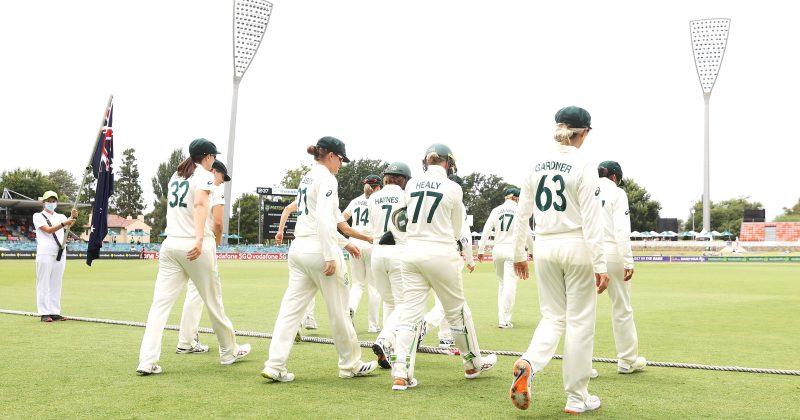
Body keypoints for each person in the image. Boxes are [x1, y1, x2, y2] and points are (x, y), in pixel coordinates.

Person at [508, 106, 608, 414]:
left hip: (545, 246)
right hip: (576, 244)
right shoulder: (584, 165)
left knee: (553, 317)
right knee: (579, 323)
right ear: (584, 133)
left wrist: (518, 254)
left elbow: (522, 213)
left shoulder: (535, 164)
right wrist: (601, 264)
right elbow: (592, 221)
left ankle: (530, 362)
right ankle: (577, 398)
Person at [261, 136, 378, 382]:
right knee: (339, 311)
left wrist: (347, 243)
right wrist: (330, 254)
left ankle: (274, 364)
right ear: (332, 155)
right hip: (318, 250)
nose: (342, 165)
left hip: (299, 249)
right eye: (341, 160)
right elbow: (325, 219)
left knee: (290, 311)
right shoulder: (327, 178)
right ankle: (350, 364)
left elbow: (334, 219)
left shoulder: (308, 176)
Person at [136, 138, 251, 375]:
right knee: (213, 302)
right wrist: (199, 239)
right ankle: (229, 351)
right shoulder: (205, 175)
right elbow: (200, 205)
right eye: (213, 157)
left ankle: (147, 361)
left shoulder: (176, 176)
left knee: (159, 306)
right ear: (208, 157)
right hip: (194, 245)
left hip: (170, 245)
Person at [391, 144, 496, 391]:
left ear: (426, 162)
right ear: (448, 163)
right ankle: (472, 364)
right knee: (457, 312)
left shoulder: (412, 184)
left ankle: (400, 374)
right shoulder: (453, 187)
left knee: (409, 314)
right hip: (440, 252)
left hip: (411, 252)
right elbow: (458, 227)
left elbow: (400, 220)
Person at [275, 198, 375, 335]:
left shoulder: (304, 199)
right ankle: (347, 333)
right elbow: (341, 228)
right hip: (323, 251)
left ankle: (303, 321)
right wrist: (363, 240)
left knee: (305, 289)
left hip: (299, 248)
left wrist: (280, 231)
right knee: (340, 295)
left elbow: (286, 209)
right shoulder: (328, 200)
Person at [593, 160, 646, 375]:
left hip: (587, 251)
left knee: (582, 311)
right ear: (615, 176)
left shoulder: (586, 189)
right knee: (622, 308)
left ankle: (582, 366)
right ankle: (627, 361)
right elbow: (621, 231)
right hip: (611, 251)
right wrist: (628, 261)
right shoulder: (617, 193)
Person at [174, 159, 232, 354]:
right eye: (222, 178)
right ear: (214, 171)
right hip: (203, 243)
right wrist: (214, 244)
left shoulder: (187, 181)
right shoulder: (212, 186)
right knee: (209, 295)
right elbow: (218, 223)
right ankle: (228, 347)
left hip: (185, 239)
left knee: (194, 293)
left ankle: (186, 341)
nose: (222, 182)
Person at [367, 162, 412, 368]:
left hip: (377, 252)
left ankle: (388, 350)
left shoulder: (373, 197)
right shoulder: (406, 197)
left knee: (389, 303)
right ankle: (384, 339)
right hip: (398, 251)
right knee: (403, 304)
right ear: (404, 180)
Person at [477, 186, 533, 328]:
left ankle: (502, 317)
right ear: (517, 198)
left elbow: (486, 230)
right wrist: (532, 250)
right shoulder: (520, 210)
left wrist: (481, 250)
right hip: (512, 250)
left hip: (498, 249)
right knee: (510, 286)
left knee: (502, 285)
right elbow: (526, 233)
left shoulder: (496, 210)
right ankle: (505, 319)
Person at [343, 175, 383, 332]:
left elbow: (342, 219)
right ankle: (373, 326)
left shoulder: (355, 201)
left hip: (355, 243)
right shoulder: (379, 201)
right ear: (378, 187)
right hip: (372, 243)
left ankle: (351, 308)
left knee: (358, 284)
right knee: (374, 287)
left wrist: (353, 232)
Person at [32, 191, 77, 322]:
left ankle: (54, 311)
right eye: (49, 201)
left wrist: (73, 217)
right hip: (45, 252)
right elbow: (48, 230)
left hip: (60, 252)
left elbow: (69, 224)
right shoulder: (38, 216)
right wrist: (65, 223)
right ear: (43, 202)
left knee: (56, 283)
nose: (51, 203)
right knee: (44, 282)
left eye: (53, 201)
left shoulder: (61, 215)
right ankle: (44, 313)